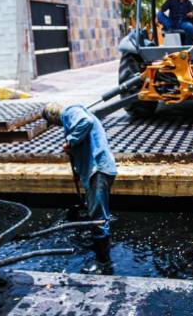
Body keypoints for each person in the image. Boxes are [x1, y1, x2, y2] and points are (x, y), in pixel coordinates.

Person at [42, 103, 117, 275]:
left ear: (53, 115)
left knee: (97, 218)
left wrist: (70, 140)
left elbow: (86, 122)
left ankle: (102, 263)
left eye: (54, 123)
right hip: (97, 170)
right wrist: (77, 169)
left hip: (98, 170)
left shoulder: (71, 111)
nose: (56, 126)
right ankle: (102, 253)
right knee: (97, 215)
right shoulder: (71, 118)